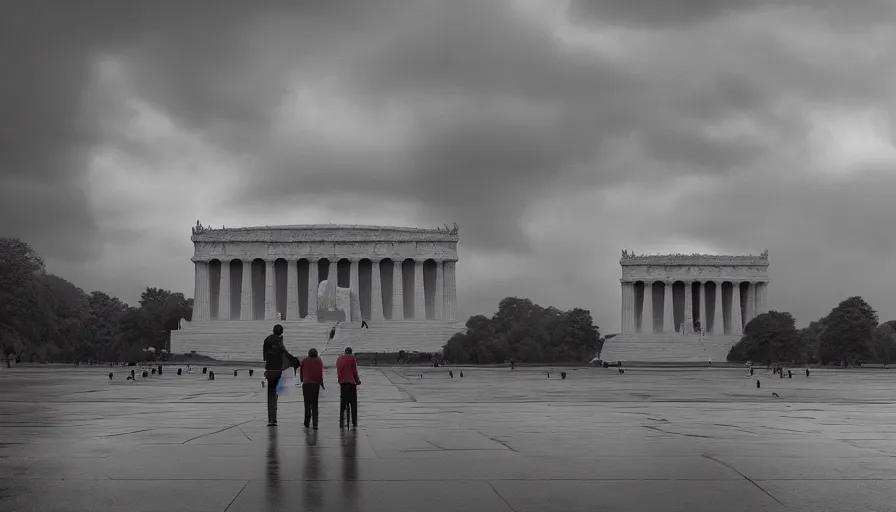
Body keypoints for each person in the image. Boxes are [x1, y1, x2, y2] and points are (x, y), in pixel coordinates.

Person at [263, 324, 299, 427]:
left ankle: (270, 418)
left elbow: (265, 356)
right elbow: (284, 353)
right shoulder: (278, 341)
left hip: (269, 369)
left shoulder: (267, 339)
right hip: (277, 369)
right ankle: (273, 418)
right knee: (274, 393)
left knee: (270, 393)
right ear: (281, 331)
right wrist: (294, 361)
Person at [299, 348, 325, 430]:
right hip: (315, 385)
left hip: (306, 385)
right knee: (314, 405)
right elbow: (320, 373)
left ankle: (307, 423)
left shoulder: (305, 360)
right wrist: (321, 383)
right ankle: (315, 424)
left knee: (307, 404)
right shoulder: (319, 361)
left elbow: (301, 371)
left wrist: (302, 379)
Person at [336, 347, 361, 428]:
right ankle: (354, 422)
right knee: (353, 404)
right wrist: (358, 381)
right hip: (351, 384)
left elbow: (339, 371)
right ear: (351, 352)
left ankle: (341, 422)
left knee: (342, 405)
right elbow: (354, 371)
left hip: (342, 384)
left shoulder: (339, 358)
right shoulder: (352, 358)